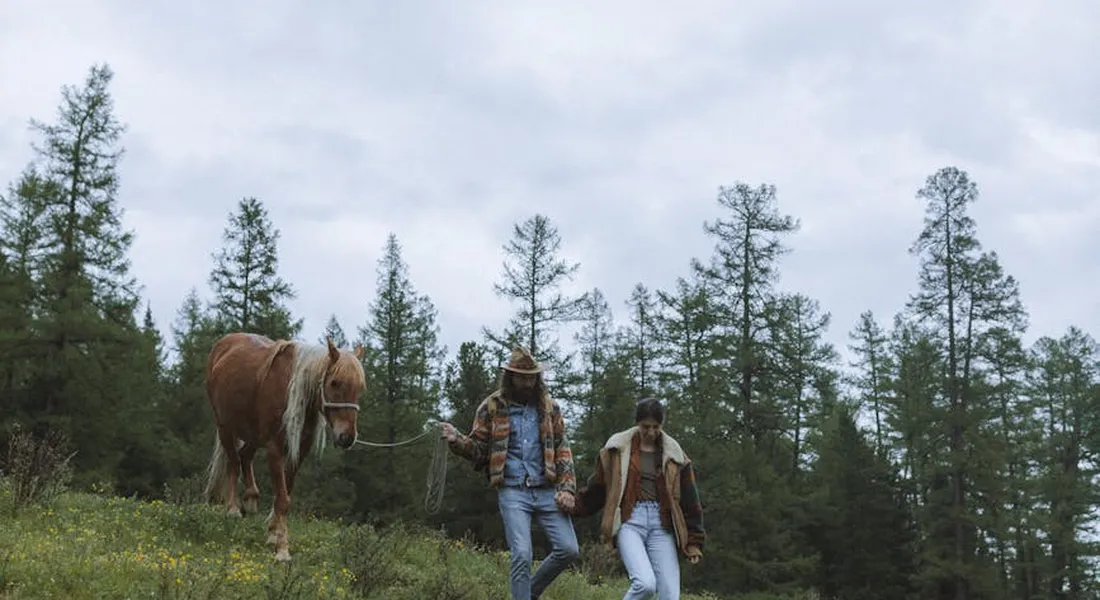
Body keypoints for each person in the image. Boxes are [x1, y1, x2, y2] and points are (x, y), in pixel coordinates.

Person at [439, 346, 580, 600]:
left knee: (569, 549)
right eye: (521, 377)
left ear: (537, 378)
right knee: (522, 554)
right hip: (513, 489)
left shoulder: (550, 408)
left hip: (546, 488)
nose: (527, 382)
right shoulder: (492, 406)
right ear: (510, 377)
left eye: (531, 377)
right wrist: (456, 440)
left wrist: (568, 488)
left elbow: (562, 449)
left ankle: (529, 592)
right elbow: (479, 450)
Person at [571, 397, 705, 600]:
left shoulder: (676, 456)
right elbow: (599, 487)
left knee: (670, 594)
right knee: (645, 584)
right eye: (645, 426)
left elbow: (689, 498)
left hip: (662, 524)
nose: (650, 432)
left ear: (662, 425)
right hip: (630, 520)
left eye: (655, 427)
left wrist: (694, 541)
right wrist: (575, 504)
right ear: (637, 423)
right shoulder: (617, 449)